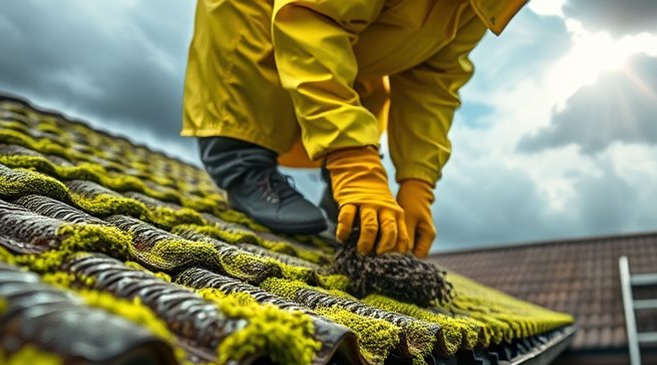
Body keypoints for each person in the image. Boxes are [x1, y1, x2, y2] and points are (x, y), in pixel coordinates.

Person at [182, 0, 525, 257]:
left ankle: (340, 186)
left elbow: (433, 80)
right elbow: (310, 18)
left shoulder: (479, 6)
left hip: (349, 40)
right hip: (270, 16)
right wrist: (354, 163)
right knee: (253, 27)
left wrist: (417, 183)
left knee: (366, 69)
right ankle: (241, 160)